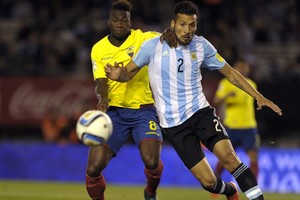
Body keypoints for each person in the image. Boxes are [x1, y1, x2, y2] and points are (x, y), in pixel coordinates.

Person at [105, 1, 282, 200]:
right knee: (208, 182)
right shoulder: (153, 46)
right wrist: (116, 73)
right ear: (173, 24)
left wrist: (258, 96)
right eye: (182, 24)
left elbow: (231, 73)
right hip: (173, 125)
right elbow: (127, 73)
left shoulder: (202, 45)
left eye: (192, 25)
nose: (187, 30)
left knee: (230, 158)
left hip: (201, 113)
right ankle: (230, 191)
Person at [86, 1, 163, 200]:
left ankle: (150, 192)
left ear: (130, 22)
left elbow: (169, 36)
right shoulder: (99, 49)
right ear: (108, 22)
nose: (120, 23)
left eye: (124, 20)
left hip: (143, 110)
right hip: (114, 113)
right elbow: (100, 81)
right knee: (94, 168)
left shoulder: (145, 39)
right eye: (115, 20)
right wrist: (103, 98)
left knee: (152, 161)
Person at [213, 60, 260, 180]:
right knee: (226, 158)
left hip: (249, 126)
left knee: (254, 158)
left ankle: (254, 187)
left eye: (245, 68)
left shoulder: (251, 84)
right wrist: (226, 95)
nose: (243, 70)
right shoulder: (226, 83)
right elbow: (216, 102)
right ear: (234, 68)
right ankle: (215, 184)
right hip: (231, 126)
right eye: (240, 67)